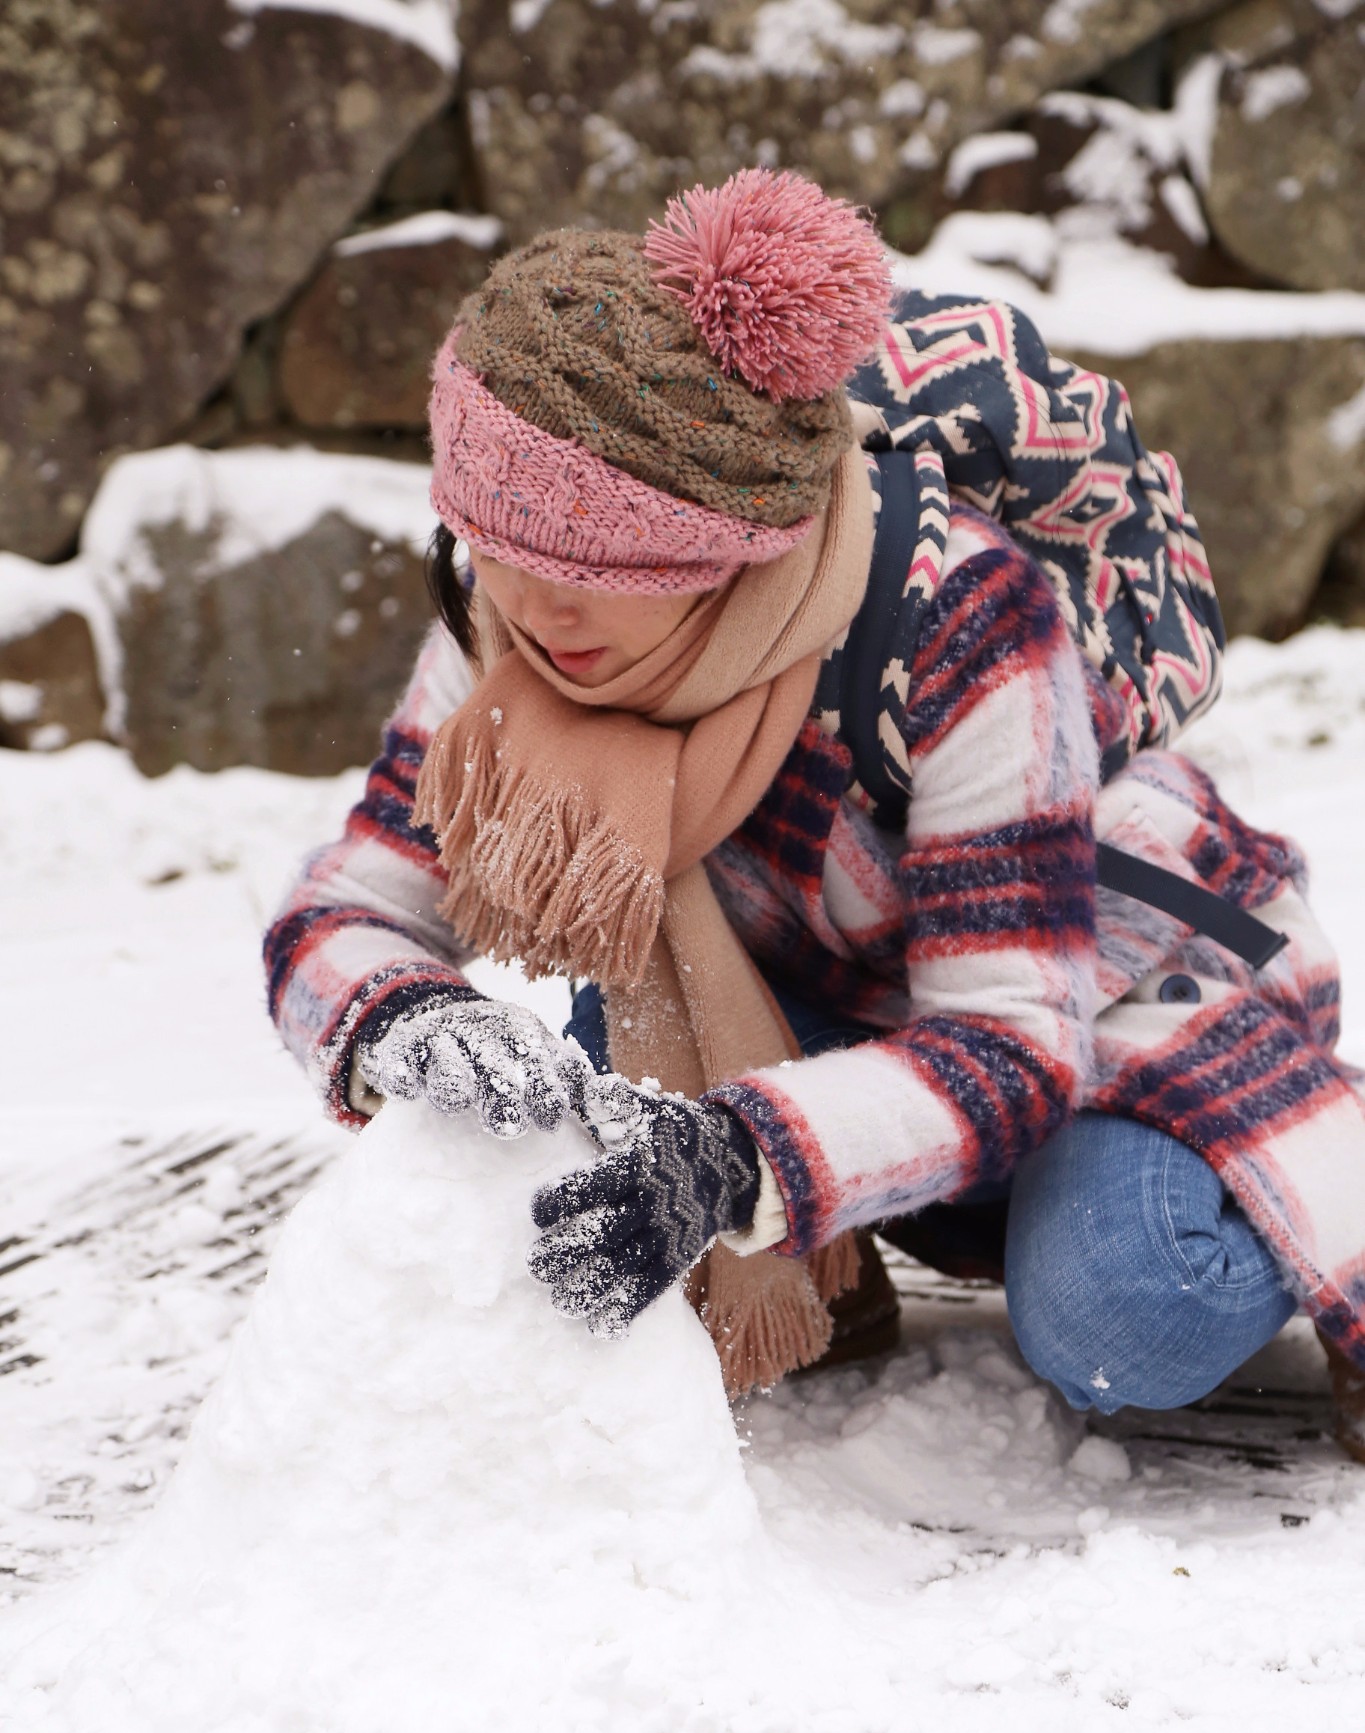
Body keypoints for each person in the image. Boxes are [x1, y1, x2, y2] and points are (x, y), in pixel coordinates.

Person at [264, 169, 1365, 1444]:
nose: (542, 607)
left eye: (606, 566)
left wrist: (743, 1156)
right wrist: (401, 1016)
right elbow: (343, 907)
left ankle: (1266, 1186)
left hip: (1104, 988)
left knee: (1122, 1316)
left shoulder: (961, 615)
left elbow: (1013, 1042)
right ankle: (842, 1252)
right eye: (500, 548)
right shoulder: (513, 614)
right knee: (611, 1105)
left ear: (727, 537)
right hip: (834, 986)